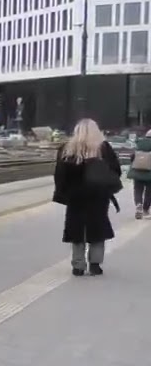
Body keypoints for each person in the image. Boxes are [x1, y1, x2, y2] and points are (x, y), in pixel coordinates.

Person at [52, 118, 122, 276]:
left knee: (77, 230)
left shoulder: (67, 149)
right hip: (98, 195)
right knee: (97, 227)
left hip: (75, 196)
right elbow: (115, 171)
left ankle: (78, 265)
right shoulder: (103, 149)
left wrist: (63, 193)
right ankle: (95, 264)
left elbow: (60, 175)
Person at [127, 129, 151, 218]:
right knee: (149, 192)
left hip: (137, 171)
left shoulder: (139, 143)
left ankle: (138, 205)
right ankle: (145, 209)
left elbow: (132, 156)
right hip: (149, 173)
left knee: (138, 190)